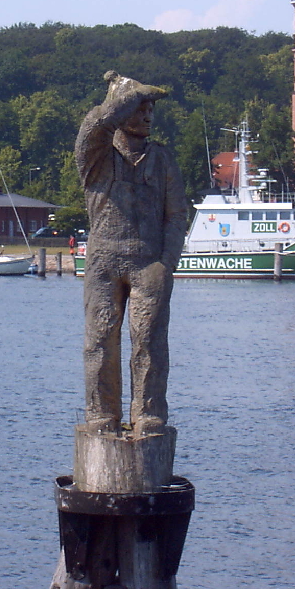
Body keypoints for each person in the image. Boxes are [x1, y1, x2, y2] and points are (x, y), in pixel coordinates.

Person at [75, 71, 188, 435]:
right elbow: (94, 128)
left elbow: (176, 215)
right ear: (121, 111)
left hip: (148, 263)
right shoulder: (96, 158)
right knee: (101, 339)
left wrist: (166, 263)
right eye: (141, 108)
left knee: (149, 340)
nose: (149, 116)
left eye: (151, 109)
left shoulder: (162, 159)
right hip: (103, 262)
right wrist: (122, 95)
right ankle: (100, 413)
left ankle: (149, 412)